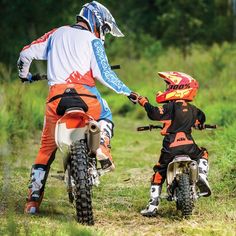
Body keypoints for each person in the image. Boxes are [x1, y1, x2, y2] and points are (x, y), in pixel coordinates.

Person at [17, 1, 138, 214]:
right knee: (106, 114)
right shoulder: (93, 41)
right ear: (96, 22)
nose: (103, 33)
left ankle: (32, 202)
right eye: (104, 29)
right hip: (86, 97)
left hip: (56, 98)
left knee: (45, 149)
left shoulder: (55, 34)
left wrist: (24, 76)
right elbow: (105, 74)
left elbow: (25, 53)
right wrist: (128, 92)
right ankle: (101, 145)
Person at [136, 71, 211, 217]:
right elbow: (200, 121)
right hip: (189, 146)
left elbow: (154, 113)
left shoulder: (170, 107)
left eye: (168, 86)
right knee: (203, 153)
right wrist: (199, 125)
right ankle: (202, 175)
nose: (166, 89)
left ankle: (152, 205)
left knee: (159, 172)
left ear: (177, 87)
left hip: (171, 146)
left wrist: (143, 101)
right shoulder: (194, 110)